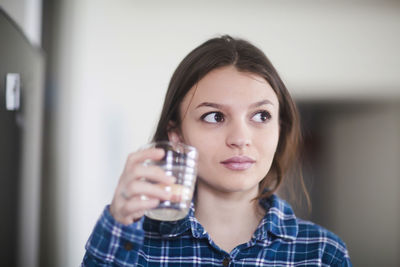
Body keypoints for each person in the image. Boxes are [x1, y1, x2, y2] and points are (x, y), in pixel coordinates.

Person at [82, 35, 352, 266]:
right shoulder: (131, 247)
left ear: (279, 129)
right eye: (214, 117)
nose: (240, 139)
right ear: (176, 136)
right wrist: (117, 226)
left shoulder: (323, 254)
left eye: (261, 116)